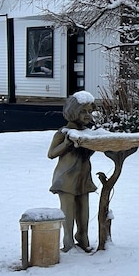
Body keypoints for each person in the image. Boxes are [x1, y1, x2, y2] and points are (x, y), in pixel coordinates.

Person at [48, 91, 97, 252]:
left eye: (89, 111)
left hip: (83, 177)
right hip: (67, 178)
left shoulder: (87, 133)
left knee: (84, 212)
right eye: (83, 111)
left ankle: (83, 238)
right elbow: (51, 153)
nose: (87, 115)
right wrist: (67, 144)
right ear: (73, 111)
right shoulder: (63, 132)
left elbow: (87, 154)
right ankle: (68, 242)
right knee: (68, 212)